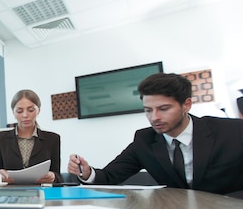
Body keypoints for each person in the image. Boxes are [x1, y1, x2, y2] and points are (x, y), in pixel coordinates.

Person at [68, 73, 243, 196]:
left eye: (164, 109)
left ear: (186, 105)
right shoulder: (144, 140)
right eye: (148, 110)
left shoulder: (232, 131)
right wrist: (86, 172)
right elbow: (108, 177)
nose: (154, 117)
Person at [0, 89, 61, 184]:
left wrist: (53, 177)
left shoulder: (52, 139)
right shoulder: (1, 138)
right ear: (13, 112)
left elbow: (58, 176)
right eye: (19, 111)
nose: (25, 115)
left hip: (41, 192)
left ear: (38, 110)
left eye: (31, 110)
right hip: (10, 193)